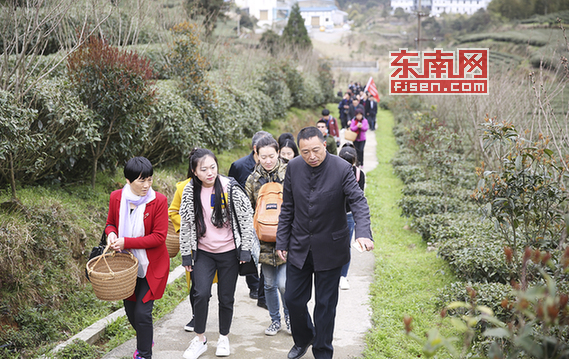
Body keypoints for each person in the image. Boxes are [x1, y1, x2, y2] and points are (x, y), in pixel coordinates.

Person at [276, 127, 374, 359]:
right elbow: (287, 207)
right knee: (292, 299)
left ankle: (322, 350)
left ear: (326, 145)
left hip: (331, 248)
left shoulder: (342, 168)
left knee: (325, 306)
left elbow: (358, 201)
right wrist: (282, 240)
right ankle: (304, 337)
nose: (311, 156)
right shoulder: (294, 167)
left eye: (316, 150)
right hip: (299, 246)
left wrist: (363, 232)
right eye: (306, 151)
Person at [179, 148, 256, 359]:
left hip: (229, 252)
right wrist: (186, 253)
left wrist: (245, 248)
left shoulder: (230, 187)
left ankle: (223, 337)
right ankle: (200, 338)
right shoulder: (189, 191)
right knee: (200, 294)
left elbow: (246, 219)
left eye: (212, 167)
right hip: (204, 252)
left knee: (226, 297)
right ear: (194, 171)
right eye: (203, 169)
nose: (209, 172)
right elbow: (186, 224)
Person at [106, 156, 170, 359]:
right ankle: (145, 336)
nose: (147, 185)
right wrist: (111, 234)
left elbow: (159, 237)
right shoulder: (116, 197)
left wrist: (127, 242)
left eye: (149, 179)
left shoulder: (158, 201)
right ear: (128, 180)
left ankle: (144, 354)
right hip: (127, 267)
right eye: (141, 180)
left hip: (152, 265)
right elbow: (110, 223)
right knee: (131, 311)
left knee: (143, 313)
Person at [244, 136, 290, 336]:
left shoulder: (291, 172)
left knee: (284, 284)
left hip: (287, 237)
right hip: (263, 240)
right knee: (269, 284)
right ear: (257, 154)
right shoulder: (252, 179)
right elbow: (247, 209)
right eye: (263, 157)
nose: (268, 160)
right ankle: (275, 320)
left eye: (271, 156)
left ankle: (290, 318)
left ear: (278, 152)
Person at [228, 131, 272, 308]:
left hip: (268, 219)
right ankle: (254, 286)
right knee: (251, 252)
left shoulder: (275, 167)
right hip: (247, 218)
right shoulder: (239, 166)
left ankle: (265, 290)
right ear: (255, 149)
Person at [338, 145, 366, 290]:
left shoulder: (359, 175)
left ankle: (343, 276)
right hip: (333, 214)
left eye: (350, 162)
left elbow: (358, 198)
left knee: (346, 245)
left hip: (348, 215)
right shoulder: (333, 172)